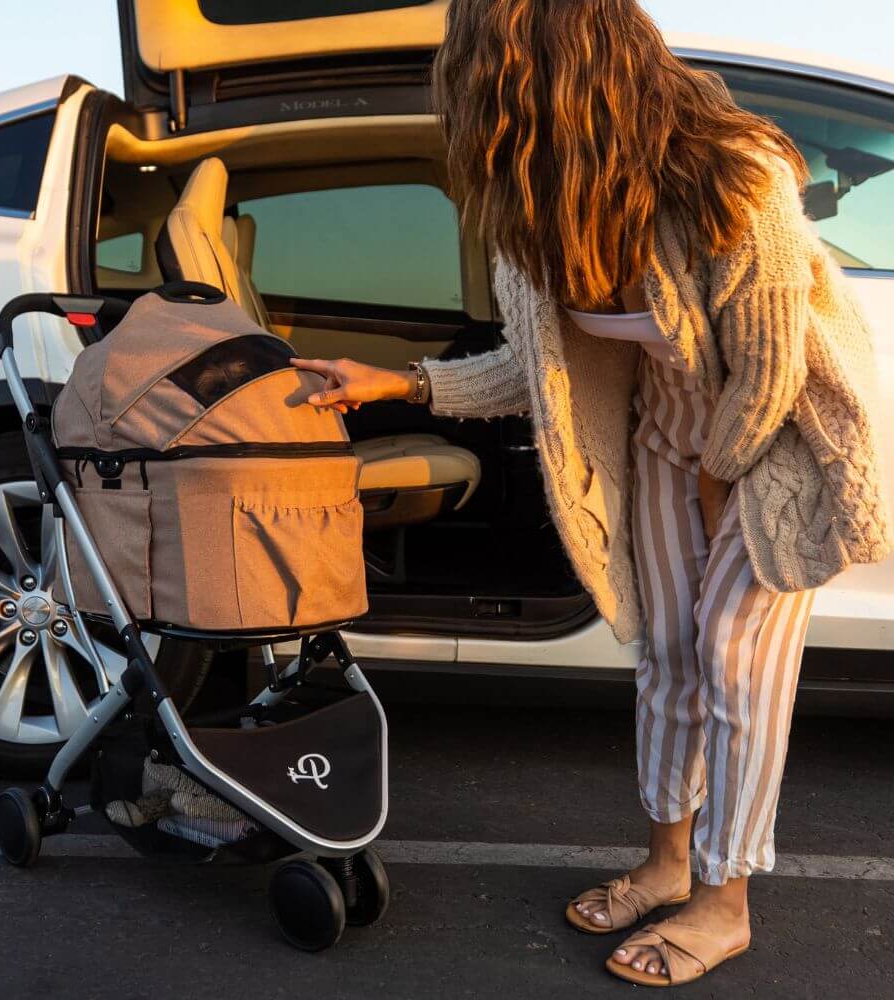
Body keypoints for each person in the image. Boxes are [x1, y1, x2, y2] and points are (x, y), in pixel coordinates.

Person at [291, 0, 891, 987]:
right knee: (664, 655)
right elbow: (538, 375)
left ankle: (723, 900)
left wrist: (713, 482)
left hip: (775, 448)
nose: (464, 99)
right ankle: (665, 863)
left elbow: (770, 376)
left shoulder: (731, 178)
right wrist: (399, 382)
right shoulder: (538, 209)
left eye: (476, 79)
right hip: (664, 439)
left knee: (734, 661)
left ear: (546, 83)